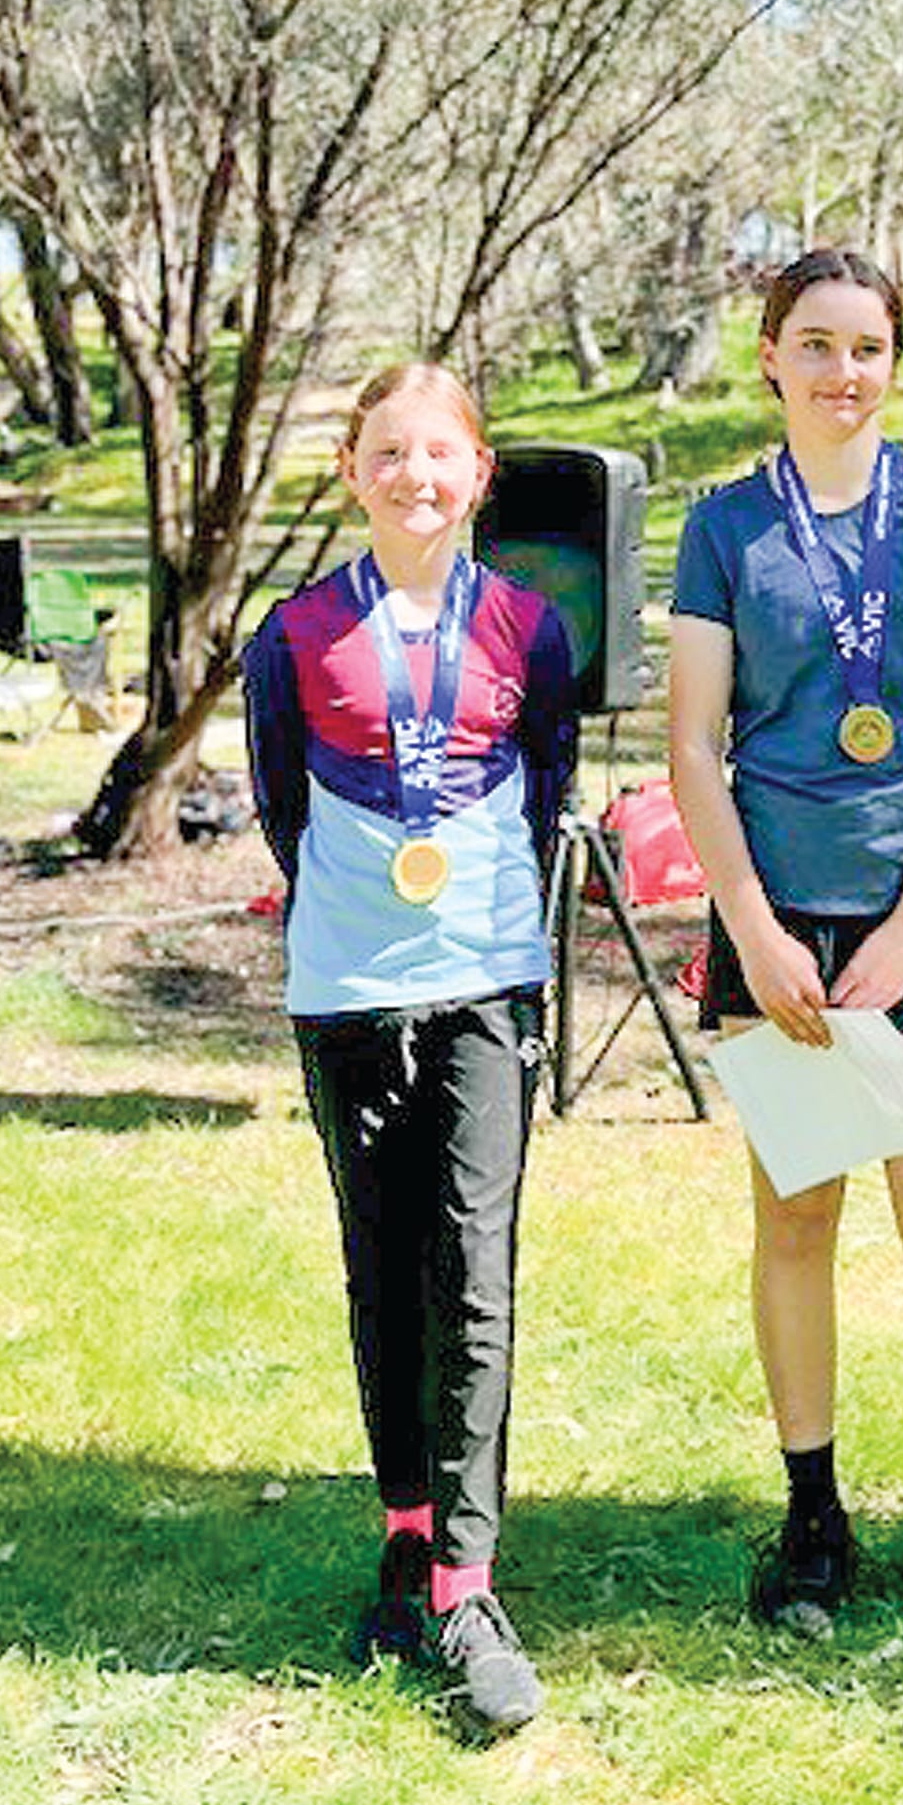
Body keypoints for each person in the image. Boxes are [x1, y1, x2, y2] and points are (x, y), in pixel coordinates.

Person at [668, 248, 903, 1641]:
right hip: (781, 923)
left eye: (865, 346)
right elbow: (694, 738)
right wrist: (750, 929)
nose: (841, 371)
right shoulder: (724, 524)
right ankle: (812, 1514)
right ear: (769, 356)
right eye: (813, 344)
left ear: (894, 359)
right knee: (799, 1217)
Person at [244, 362, 575, 1731]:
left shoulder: (530, 627)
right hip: (344, 986)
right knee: (377, 1260)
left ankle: (466, 1577)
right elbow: (281, 802)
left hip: (484, 985)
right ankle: (401, 1530)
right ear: (352, 470)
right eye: (389, 451)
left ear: (478, 471)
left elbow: (545, 786)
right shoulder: (296, 630)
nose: (415, 475)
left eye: (440, 452)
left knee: (473, 1266)